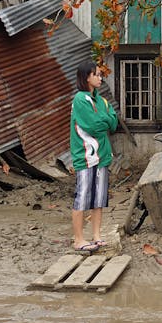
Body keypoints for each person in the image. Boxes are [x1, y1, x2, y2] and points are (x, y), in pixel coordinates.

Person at [69, 61, 118, 252]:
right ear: (86, 77)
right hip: (86, 156)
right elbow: (93, 126)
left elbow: (113, 123)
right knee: (82, 197)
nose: (100, 77)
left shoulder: (102, 100)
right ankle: (79, 239)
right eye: (96, 74)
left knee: (99, 198)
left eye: (100, 74)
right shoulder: (80, 100)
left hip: (103, 156)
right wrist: (105, 119)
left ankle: (96, 236)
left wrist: (104, 119)